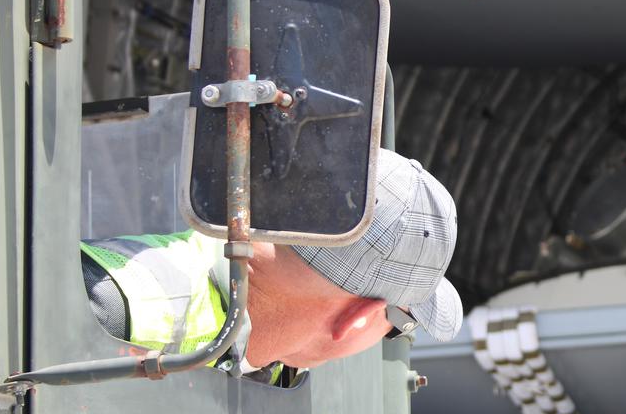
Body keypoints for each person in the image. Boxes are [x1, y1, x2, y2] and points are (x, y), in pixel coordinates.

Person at [79, 148, 461, 383]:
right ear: (357, 320)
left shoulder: (270, 365)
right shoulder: (107, 310)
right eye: (401, 325)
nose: (390, 338)